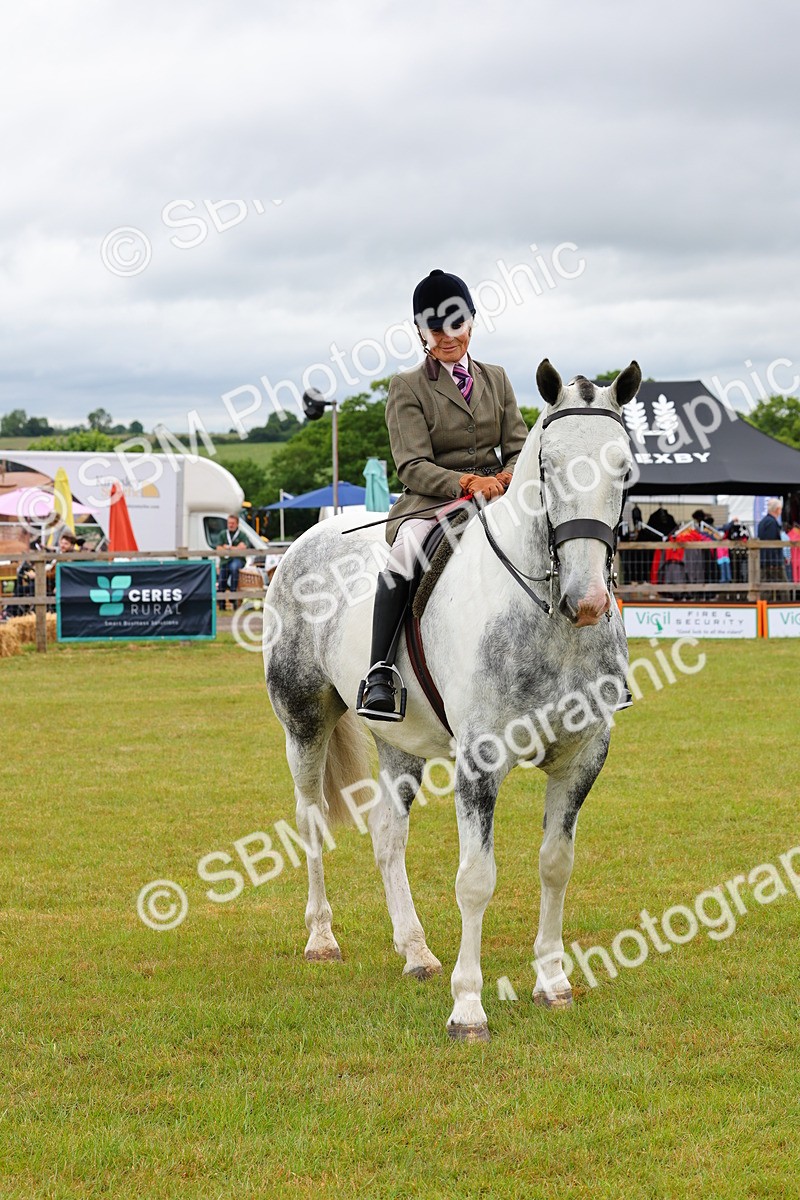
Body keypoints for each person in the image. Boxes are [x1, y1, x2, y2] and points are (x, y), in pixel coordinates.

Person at [357, 268, 529, 721]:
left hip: (500, 493)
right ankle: (380, 673)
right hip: (433, 503)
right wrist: (467, 483)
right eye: (436, 329)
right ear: (420, 332)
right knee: (405, 556)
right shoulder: (408, 387)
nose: (448, 336)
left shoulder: (497, 378)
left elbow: (519, 447)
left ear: (471, 322)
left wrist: (507, 479)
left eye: (457, 324)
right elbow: (411, 465)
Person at [215, 514, 248, 610]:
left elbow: (243, 548)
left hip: (238, 560)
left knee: (234, 568)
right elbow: (218, 548)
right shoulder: (222, 534)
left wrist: (228, 548)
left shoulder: (242, 535)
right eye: (229, 523)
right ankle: (221, 603)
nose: (231, 525)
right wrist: (235, 548)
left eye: (233, 523)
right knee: (222, 577)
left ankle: (233, 597)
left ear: (237, 524)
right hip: (225, 561)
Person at [757, 499, 784, 591]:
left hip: (764, 560)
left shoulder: (763, 522)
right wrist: (773, 563)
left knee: (765, 585)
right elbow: (771, 544)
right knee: (782, 586)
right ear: (777, 509)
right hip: (772, 562)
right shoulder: (771, 523)